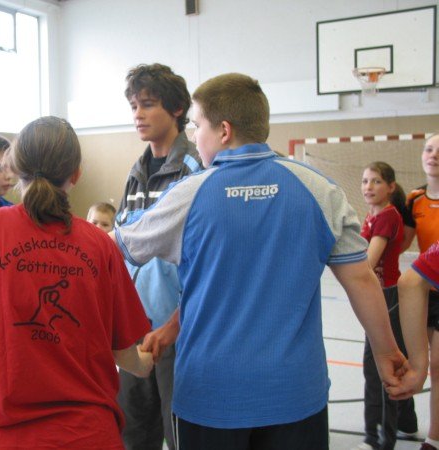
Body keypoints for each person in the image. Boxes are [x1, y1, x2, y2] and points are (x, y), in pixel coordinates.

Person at [114, 73, 416, 450]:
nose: (193, 135)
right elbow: (361, 279)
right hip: (295, 394)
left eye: (197, 125)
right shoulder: (320, 190)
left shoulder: (187, 196)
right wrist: (387, 351)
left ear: (224, 131)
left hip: (211, 397)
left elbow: (117, 247)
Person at [0, 116, 154, 450]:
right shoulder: (99, 244)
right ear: (76, 174)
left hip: (3, 435)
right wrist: (143, 364)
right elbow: (122, 352)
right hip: (88, 435)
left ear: (13, 167)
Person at [115, 62, 202, 450]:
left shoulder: (196, 170)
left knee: (180, 434)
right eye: (134, 106)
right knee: (132, 433)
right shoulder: (135, 173)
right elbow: (126, 252)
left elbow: (206, 262)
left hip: (179, 332)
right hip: (134, 330)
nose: (138, 114)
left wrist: (174, 324)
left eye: (148, 105)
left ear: (177, 109)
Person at [354, 162, 416, 450]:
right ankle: (406, 421)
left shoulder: (387, 217)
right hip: (381, 296)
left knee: (377, 369)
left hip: (386, 298)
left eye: (376, 181)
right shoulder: (373, 215)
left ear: (391, 187)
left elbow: (368, 262)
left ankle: (378, 438)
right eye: (365, 181)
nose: (369, 187)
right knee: (394, 361)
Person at [401, 133, 439, 450]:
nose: (433, 155)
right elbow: (402, 243)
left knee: (436, 363)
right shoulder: (415, 198)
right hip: (426, 287)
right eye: (429, 149)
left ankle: (433, 436)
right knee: (429, 363)